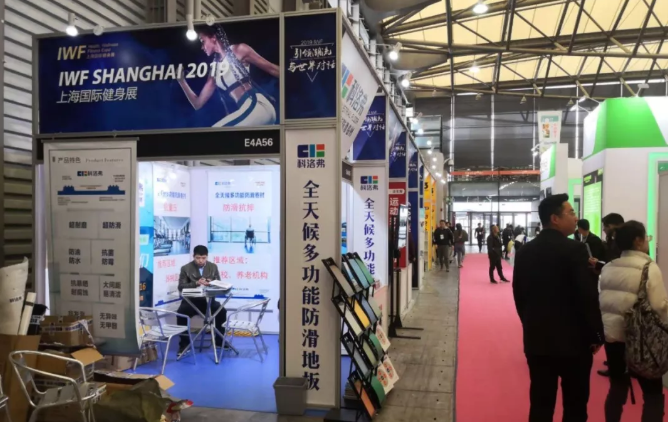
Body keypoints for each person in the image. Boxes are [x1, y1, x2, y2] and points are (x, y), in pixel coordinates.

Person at [513, 194, 604, 422]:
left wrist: (531, 323)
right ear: (555, 218)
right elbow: (587, 296)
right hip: (574, 343)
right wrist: (595, 334)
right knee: (575, 405)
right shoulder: (575, 250)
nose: (576, 218)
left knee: (541, 404)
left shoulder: (525, 251)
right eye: (571, 213)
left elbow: (519, 295)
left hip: (537, 340)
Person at [599, 221, 668, 421]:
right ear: (638, 241)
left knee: (617, 388)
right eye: (646, 237)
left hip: (613, 339)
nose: (647, 241)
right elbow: (659, 306)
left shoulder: (608, 267)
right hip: (642, 342)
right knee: (653, 394)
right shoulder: (649, 267)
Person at [178, 25, 279, 127]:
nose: (201, 47)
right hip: (248, 111)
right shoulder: (214, 69)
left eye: (202, 41)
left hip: (258, 106)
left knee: (215, 130)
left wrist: (289, 74)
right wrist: (181, 81)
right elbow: (198, 104)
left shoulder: (238, 50)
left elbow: (272, 69)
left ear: (213, 38)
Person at [176, 245, 227, 355]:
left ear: (207, 257)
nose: (201, 261)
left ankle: (219, 341)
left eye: (203, 258)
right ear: (193, 256)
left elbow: (219, 283)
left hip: (208, 301)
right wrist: (196, 283)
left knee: (221, 311)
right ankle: (184, 344)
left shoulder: (213, 267)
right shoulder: (185, 268)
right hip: (191, 302)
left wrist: (210, 282)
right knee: (181, 313)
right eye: (198, 258)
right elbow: (181, 287)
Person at [596, 213, 625, 377]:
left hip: (618, 291)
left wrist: (601, 265)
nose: (604, 229)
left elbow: (613, 265)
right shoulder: (614, 242)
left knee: (614, 330)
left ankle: (617, 367)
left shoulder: (619, 243)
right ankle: (617, 363)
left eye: (606, 226)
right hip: (616, 290)